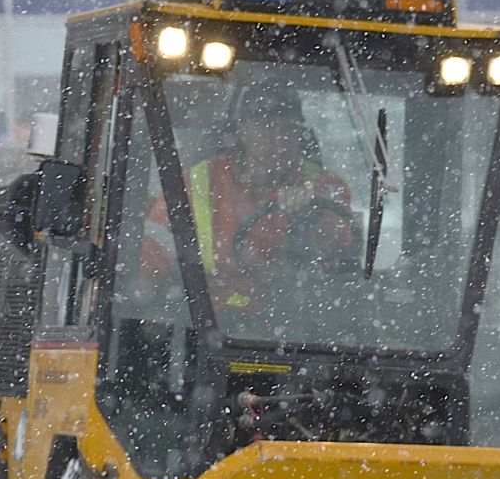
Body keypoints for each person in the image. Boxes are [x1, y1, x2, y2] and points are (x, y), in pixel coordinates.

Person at [142, 88, 356, 312]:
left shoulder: (325, 187)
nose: (278, 139)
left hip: (297, 317)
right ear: (243, 131)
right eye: (266, 127)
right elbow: (154, 248)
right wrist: (140, 293)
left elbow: (346, 249)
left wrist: (314, 216)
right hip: (210, 317)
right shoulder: (197, 183)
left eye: (289, 129)